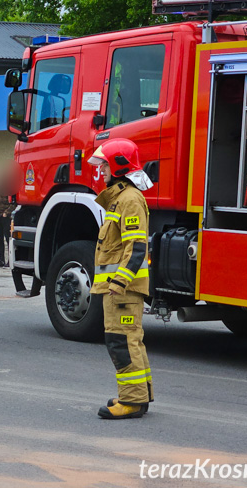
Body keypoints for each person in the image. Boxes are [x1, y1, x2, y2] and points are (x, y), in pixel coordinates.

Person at [87, 138, 154, 420]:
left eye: (103, 165)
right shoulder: (120, 199)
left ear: (117, 167)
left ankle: (132, 402)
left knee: (122, 341)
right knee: (129, 341)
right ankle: (139, 395)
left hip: (122, 291)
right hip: (118, 289)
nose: (100, 170)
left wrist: (118, 283)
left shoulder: (128, 200)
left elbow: (136, 248)